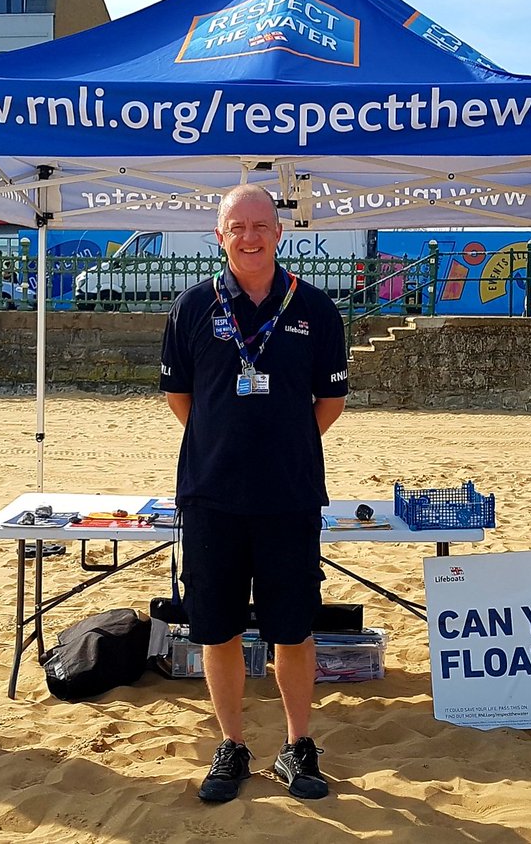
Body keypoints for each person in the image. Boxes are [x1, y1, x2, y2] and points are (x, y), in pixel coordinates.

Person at [159, 184, 348, 803]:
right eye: (236, 227)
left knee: (292, 630)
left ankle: (297, 747)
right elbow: (180, 399)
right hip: (212, 497)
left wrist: (278, 446)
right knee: (217, 630)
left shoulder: (316, 309)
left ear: (279, 231)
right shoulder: (192, 307)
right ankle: (233, 744)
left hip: (290, 497)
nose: (249, 237)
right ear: (220, 237)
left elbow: (331, 402)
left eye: (260, 225)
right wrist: (226, 445)